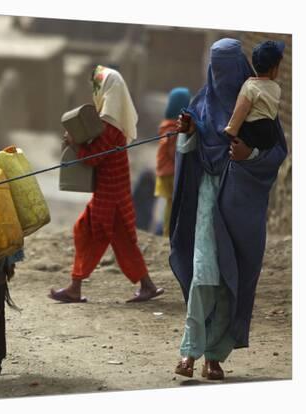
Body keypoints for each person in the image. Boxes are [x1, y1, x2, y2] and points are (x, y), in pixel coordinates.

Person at [170, 39, 287, 380]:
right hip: (208, 199)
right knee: (205, 274)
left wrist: (247, 156)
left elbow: (277, 152)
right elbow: (189, 149)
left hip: (240, 204)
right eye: (216, 68)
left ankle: (215, 356)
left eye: (228, 68)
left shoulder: (259, 101)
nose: (222, 77)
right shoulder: (201, 104)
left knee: (228, 280)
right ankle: (189, 352)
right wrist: (188, 134)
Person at [49, 65, 164, 304]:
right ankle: (144, 285)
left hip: (110, 198)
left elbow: (93, 158)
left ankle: (76, 286)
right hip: (112, 195)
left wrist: (74, 143)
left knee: (96, 236)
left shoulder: (110, 126)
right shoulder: (111, 122)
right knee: (107, 238)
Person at [225, 40, 285, 150]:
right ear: (273, 70)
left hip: (253, 132)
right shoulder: (277, 88)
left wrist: (231, 129)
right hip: (270, 134)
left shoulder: (249, 87)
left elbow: (241, 110)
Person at [154, 87, 191, 237]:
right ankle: (169, 233)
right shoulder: (174, 128)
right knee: (173, 204)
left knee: (170, 203)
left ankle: (168, 232)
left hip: (164, 171)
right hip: (171, 172)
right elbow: (173, 152)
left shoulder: (165, 124)